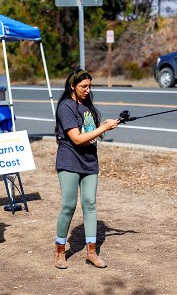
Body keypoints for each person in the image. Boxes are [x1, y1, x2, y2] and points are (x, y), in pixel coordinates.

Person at [53, 69, 120, 269]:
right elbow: (76, 138)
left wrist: (105, 125)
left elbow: (90, 132)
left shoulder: (87, 107)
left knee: (90, 204)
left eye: (90, 86)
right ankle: (59, 250)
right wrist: (103, 129)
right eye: (84, 87)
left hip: (90, 161)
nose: (88, 90)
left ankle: (91, 251)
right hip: (70, 161)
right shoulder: (66, 106)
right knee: (69, 205)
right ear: (72, 86)